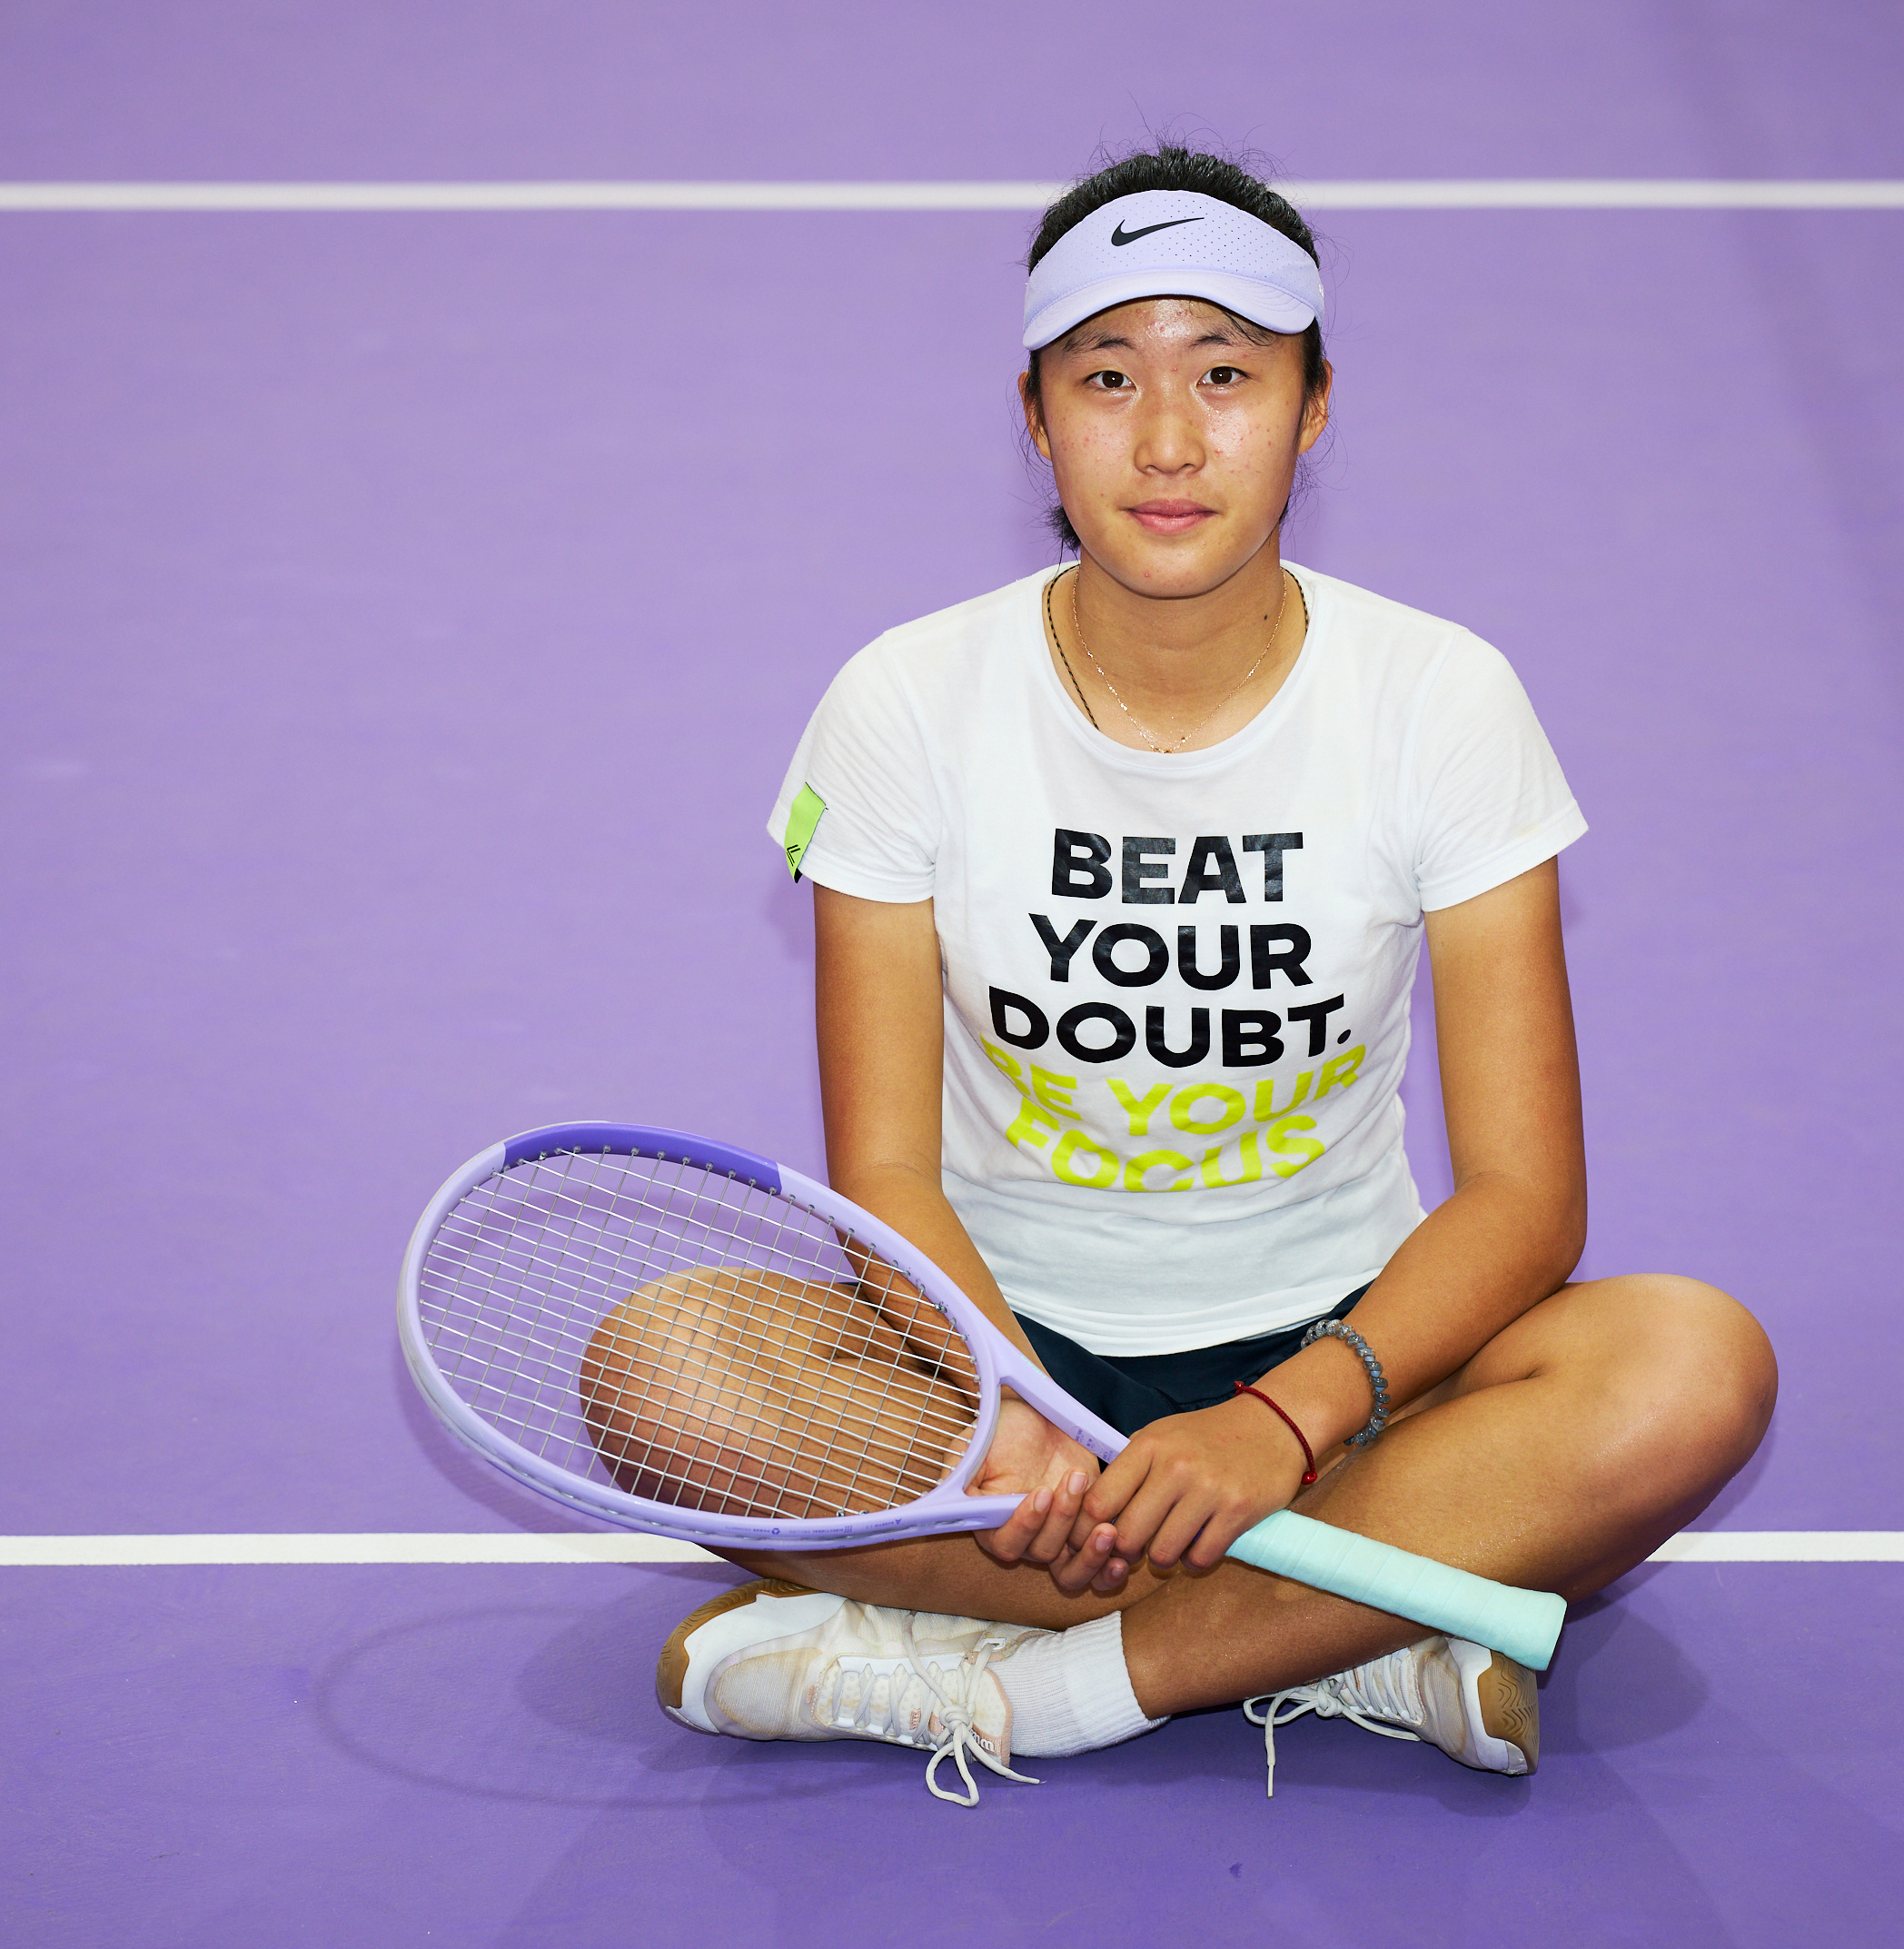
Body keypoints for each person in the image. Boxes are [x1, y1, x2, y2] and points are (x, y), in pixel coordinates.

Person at [655, 145, 1775, 1803]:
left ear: (1313, 407)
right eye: (1107, 377)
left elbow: (1527, 1199)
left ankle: (1041, 1684)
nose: (1168, 441)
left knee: (1688, 1367)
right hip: (1004, 1364)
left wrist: (1285, 1421)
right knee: (662, 1367)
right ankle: (1361, 1615)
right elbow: (883, 1168)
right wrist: (1009, 1405)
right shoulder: (902, 700)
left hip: (1353, 1366)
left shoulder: (1440, 698)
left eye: (1227, 375)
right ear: (1034, 416)